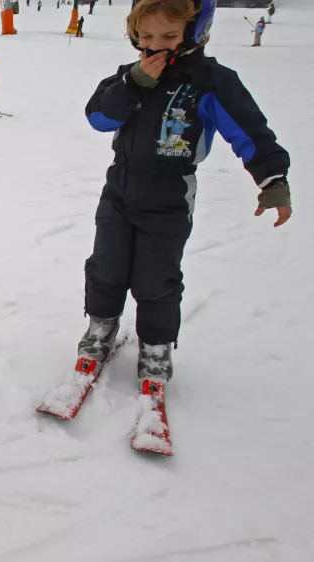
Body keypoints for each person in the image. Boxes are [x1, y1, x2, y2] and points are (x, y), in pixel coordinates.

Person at [81, 0, 291, 403]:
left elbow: (249, 129)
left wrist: (272, 178)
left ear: (194, 32)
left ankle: (156, 347)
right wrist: (133, 85)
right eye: (145, 37)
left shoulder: (210, 82)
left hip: (170, 198)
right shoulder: (128, 77)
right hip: (119, 191)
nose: (155, 46)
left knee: (157, 279)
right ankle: (100, 326)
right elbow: (98, 118)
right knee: (106, 265)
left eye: (169, 37)